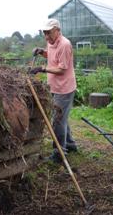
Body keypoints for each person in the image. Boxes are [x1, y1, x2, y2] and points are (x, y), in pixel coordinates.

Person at [30, 18, 77, 163]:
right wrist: (42, 52)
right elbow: (52, 56)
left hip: (64, 89)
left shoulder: (65, 44)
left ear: (57, 30)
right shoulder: (51, 42)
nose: (46, 36)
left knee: (57, 121)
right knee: (61, 119)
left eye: (49, 32)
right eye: (44, 33)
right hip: (54, 86)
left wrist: (42, 68)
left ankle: (59, 154)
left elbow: (62, 69)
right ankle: (70, 145)